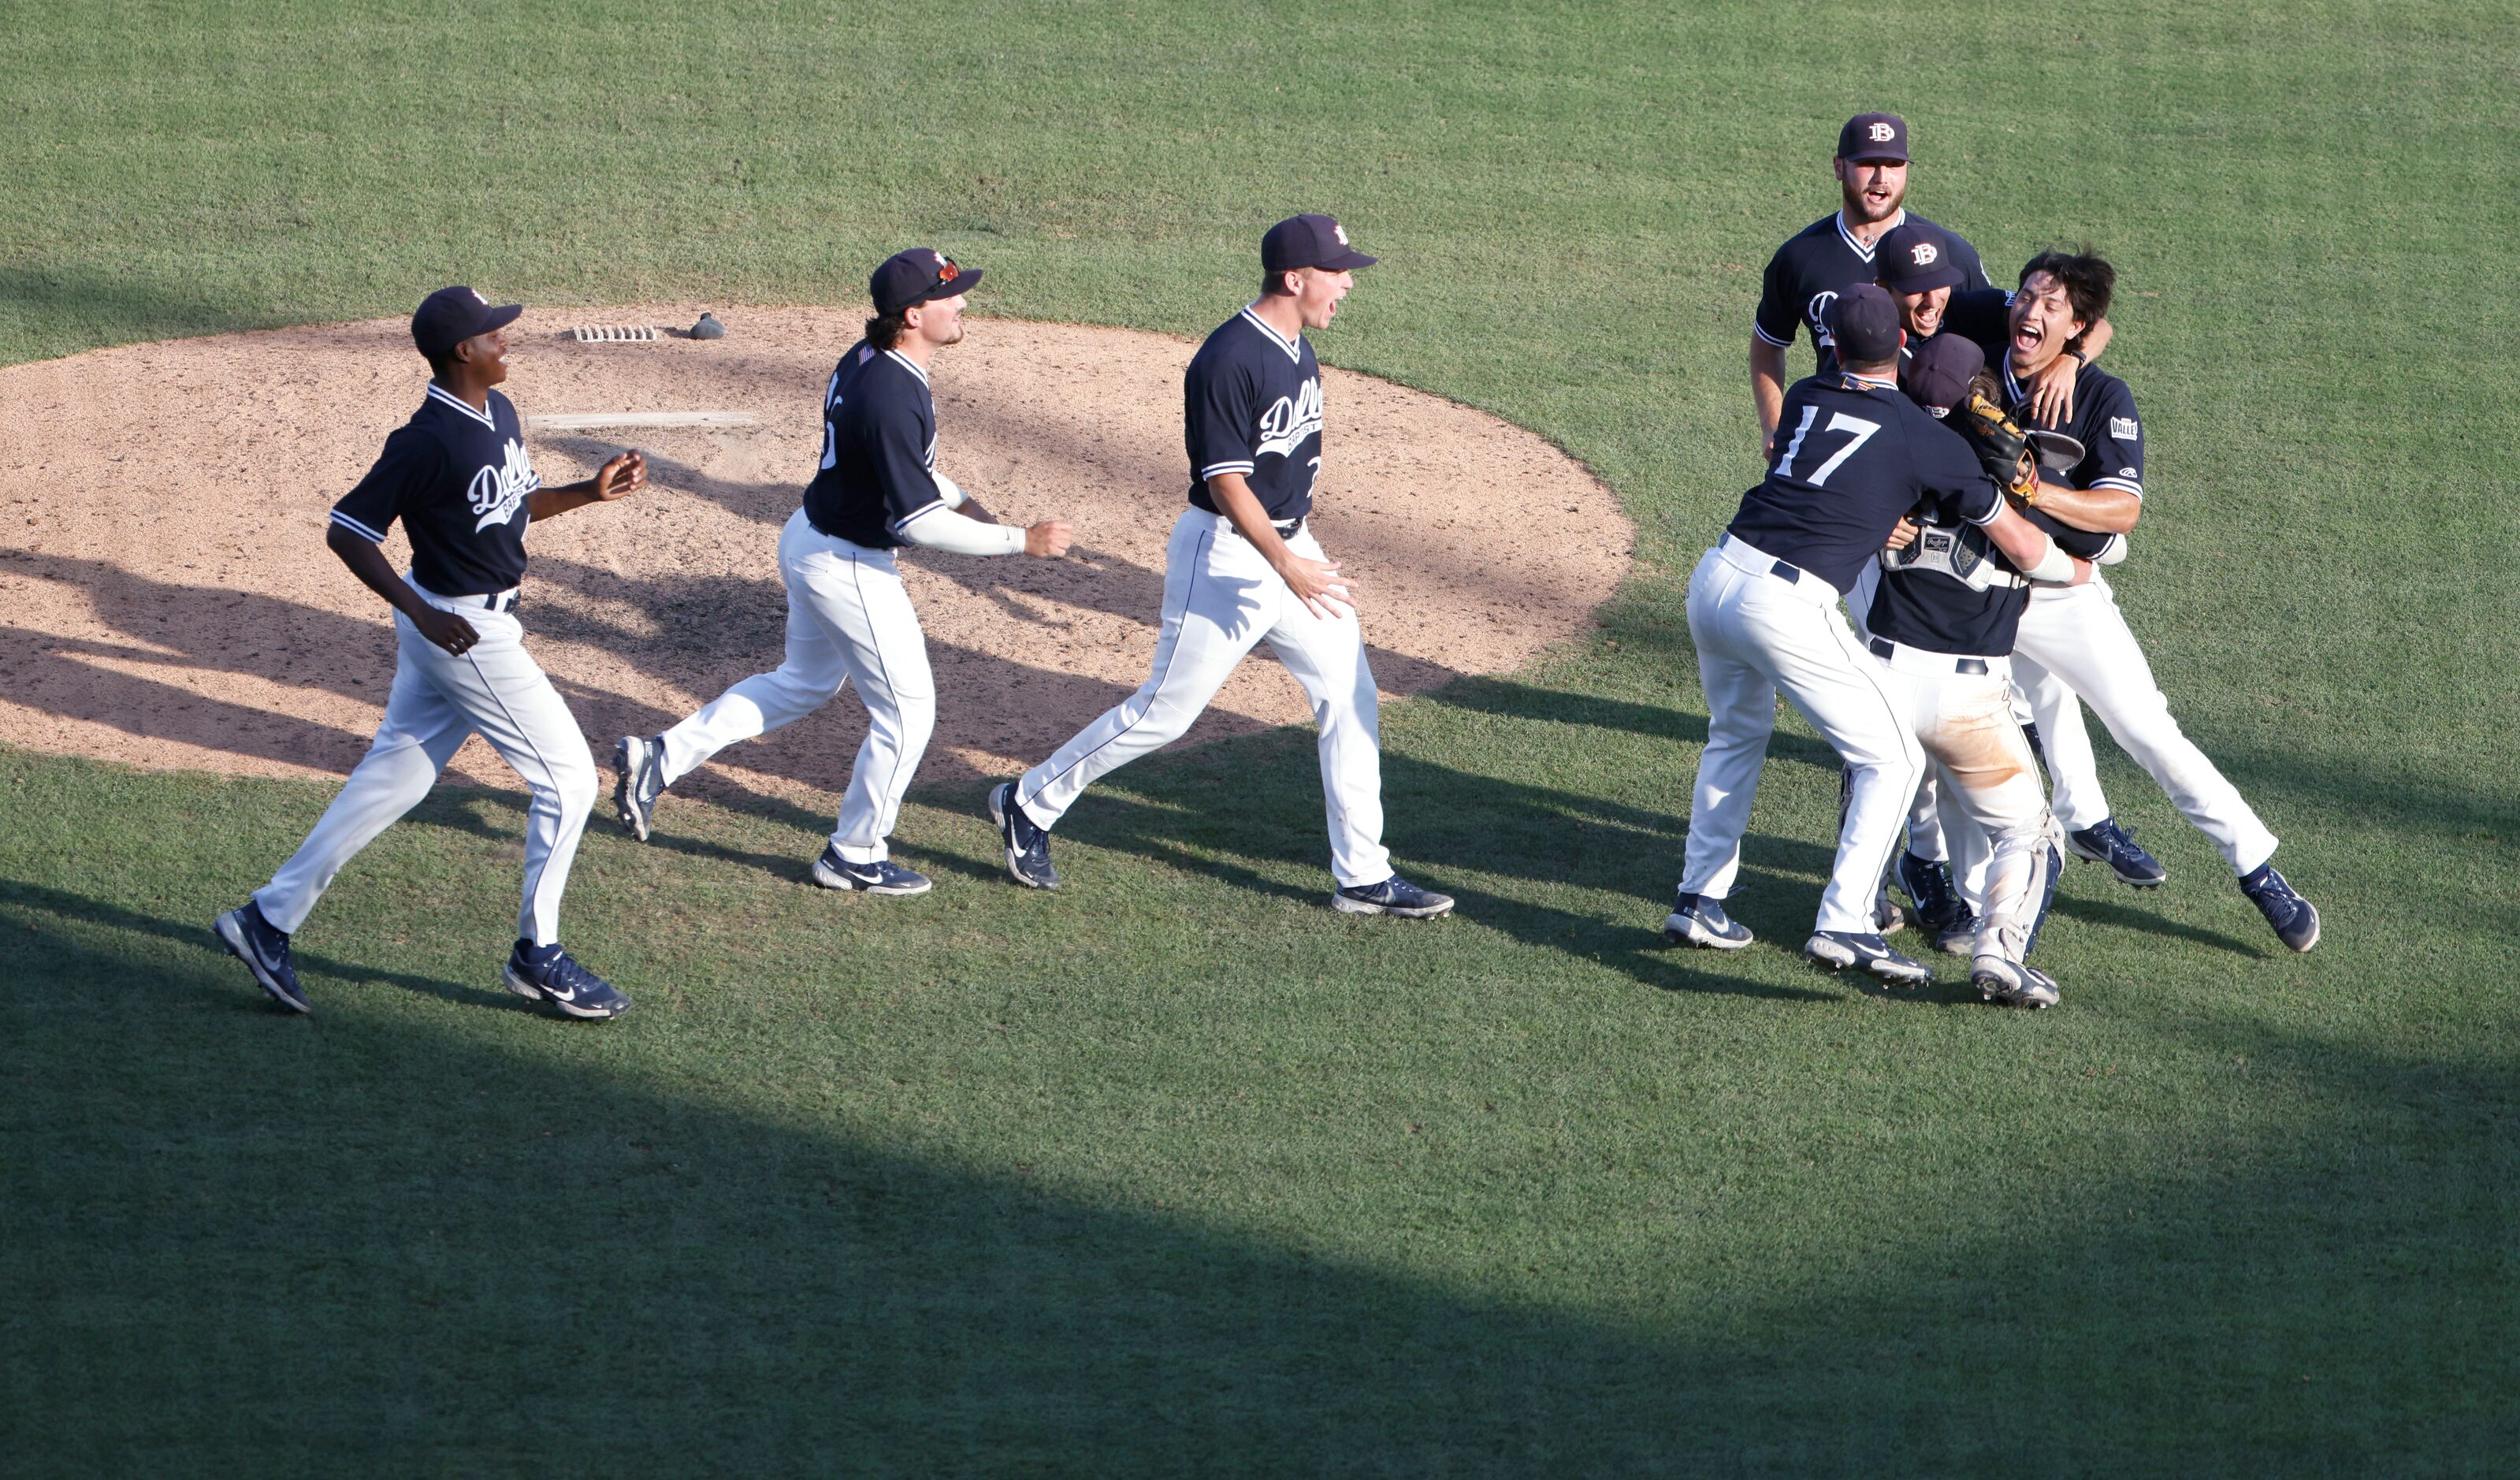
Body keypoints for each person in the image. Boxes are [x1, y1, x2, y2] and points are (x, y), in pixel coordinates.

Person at [987, 215, 1453, 919]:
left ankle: (1363, 877)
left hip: (1290, 549)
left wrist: (1298, 556)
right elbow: (1227, 484)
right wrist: (1286, 564)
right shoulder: (1229, 358)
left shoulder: (1298, 349)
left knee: (1350, 699)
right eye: (1338, 272)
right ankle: (1027, 802)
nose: (1350, 285)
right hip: (1230, 554)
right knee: (1164, 714)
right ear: (1295, 279)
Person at [214, 286, 648, 1018]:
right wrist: (418, 611)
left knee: (395, 778)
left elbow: (513, 505)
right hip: (462, 631)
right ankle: (538, 955)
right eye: (494, 334)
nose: (506, 340)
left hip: (460, 623)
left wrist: (587, 491)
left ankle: (265, 920)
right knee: (571, 781)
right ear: (462, 352)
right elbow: (348, 530)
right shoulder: (423, 440)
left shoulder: (498, 412)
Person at [612, 251, 1072, 894]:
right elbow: (916, 523)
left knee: (802, 684)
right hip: (847, 564)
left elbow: (898, 466)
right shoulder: (893, 394)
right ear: (913, 315)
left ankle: (658, 759)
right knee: (909, 715)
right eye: (951, 297)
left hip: (812, 539)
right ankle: (854, 854)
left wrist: (959, 495)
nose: (964, 303)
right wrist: (1018, 541)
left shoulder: (874, 360)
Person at [1668, 285, 2087, 984]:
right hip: (1784, 604)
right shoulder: (1920, 437)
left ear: (1831, 343)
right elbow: (2013, 536)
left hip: (1715, 575)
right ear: (1898, 343)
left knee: (1735, 734)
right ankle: (1847, 921)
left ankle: (1699, 899)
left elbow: (1845, 478)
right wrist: (2067, 564)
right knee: (1889, 761)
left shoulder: (1804, 393)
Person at [1943, 251, 2318, 950]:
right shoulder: (1974, 360)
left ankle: (2258, 869)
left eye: (2052, 307)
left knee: (2147, 730)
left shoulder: (2102, 398)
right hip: (1975, 587)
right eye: (2027, 297)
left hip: (2059, 591)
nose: (2030, 312)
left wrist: (2030, 486)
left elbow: (2119, 512)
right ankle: (1974, 903)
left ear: (2077, 326)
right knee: (1969, 745)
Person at [1856, 333, 2091, 1006]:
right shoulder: (2008, 478)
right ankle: (1999, 951)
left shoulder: (1884, 464)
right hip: (1966, 697)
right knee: (2031, 832)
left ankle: (1861, 905)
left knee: (1872, 781)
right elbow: (2068, 562)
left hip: (1884, 674)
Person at [1750, 113, 1998, 457]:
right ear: (1839, 168)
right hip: (1840, 443)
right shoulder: (1800, 257)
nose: (1882, 178)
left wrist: (2072, 359)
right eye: (1868, 163)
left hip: (1938, 445)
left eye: (1894, 164)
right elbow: (1768, 342)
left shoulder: (1950, 253)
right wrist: (1772, 425)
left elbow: (2001, 336)